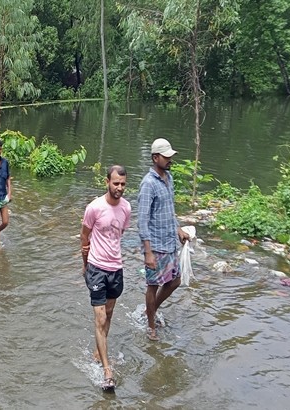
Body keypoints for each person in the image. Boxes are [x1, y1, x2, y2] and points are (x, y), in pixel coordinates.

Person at [80, 165, 131, 392]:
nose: (119, 188)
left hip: (116, 269)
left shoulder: (127, 208)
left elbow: (118, 235)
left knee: (109, 314)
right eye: (115, 183)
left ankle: (97, 351)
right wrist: (85, 266)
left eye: (122, 184)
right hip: (97, 268)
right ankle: (107, 371)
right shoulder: (94, 207)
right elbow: (84, 235)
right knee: (100, 319)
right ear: (106, 182)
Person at [138, 138, 190, 341]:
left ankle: (150, 310)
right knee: (153, 285)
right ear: (155, 157)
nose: (170, 160)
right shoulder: (148, 184)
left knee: (175, 280)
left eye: (170, 157)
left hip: (169, 242)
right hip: (156, 245)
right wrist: (148, 252)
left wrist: (178, 229)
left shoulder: (168, 178)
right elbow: (142, 221)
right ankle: (151, 325)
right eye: (166, 157)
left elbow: (169, 209)